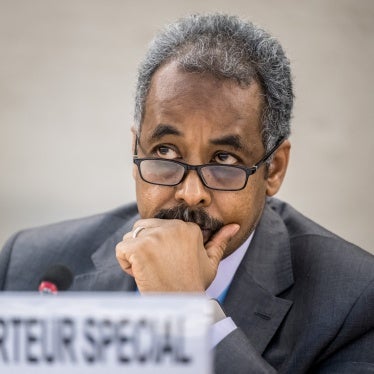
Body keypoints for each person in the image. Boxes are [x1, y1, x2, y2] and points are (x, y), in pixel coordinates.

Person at [0, 13, 373, 373]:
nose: (190, 193)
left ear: (273, 169)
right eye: (165, 151)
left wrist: (188, 313)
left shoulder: (354, 302)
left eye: (224, 158)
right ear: (136, 151)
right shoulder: (27, 267)